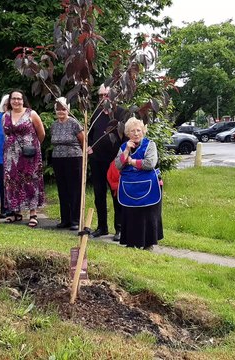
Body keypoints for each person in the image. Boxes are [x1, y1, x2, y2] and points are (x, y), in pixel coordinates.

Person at [114, 117, 163, 250]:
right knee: (130, 214)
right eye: (132, 131)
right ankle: (131, 242)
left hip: (148, 185)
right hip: (128, 186)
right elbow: (118, 165)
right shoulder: (124, 147)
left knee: (147, 214)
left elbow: (149, 163)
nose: (136, 133)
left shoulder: (150, 145)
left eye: (138, 130)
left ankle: (148, 244)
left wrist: (131, 162)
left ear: (143, 131)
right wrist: (126, 151)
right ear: (127, 134)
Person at [2, 89, 45, 228]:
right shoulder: (5, 115)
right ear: (10, 101)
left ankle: (33, 213)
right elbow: (5, 134)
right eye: (13, 99)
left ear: (23, 100)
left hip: (29, 155)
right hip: (10, 155)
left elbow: (41, 133)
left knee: (30, 181)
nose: (16, 101)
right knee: (12, 181)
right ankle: (15, 212)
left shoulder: (31, 114)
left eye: (19, 98)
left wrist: (33, 147)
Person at [88, 84, 126, 238]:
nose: (103, 98)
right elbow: (90, 135)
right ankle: (102, 227)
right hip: (97, 160)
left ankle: (119, 228)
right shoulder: (96, 114)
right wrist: (89, 147)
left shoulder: (122, 113)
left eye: (106, 95)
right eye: (100, 95)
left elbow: (128, 136)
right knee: (99, 194)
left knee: (116, 194)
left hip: (114, 162)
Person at [50, 97, 84, 231]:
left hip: (74, 158)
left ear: (68, 110)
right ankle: (65, 219)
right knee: (62, 189)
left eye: (63, 109)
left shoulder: (74, 123)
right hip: (58, 159)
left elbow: (83, 140)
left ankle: (75, 219)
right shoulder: (54, 125)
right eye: (58, 109)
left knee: (74, 189)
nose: (60, 112)